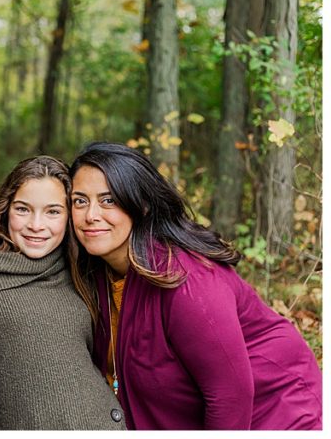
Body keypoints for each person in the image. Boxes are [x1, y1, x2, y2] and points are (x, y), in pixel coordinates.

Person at [69, 142, 322, 430]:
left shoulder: (186, 280)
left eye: (108, 200)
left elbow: (231, 396)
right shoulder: (95, 270)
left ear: (141, 204)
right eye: (80, 201)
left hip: (277, 410)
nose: (90, 215)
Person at [0, 156, 125, 430]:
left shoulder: (81, 271)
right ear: (5, 210)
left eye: (53, 212)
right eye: (23, 209)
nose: (36, 225)